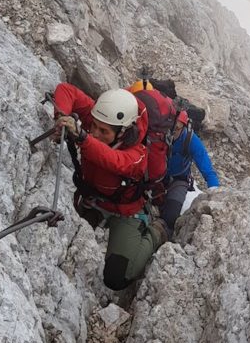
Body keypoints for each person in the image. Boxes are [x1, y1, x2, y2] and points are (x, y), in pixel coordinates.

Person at [52, 83, 168, 291]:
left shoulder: (138, 154)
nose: (95, 132)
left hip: (125, 213)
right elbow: (67, 90)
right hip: (93, 200)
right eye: (93, 126)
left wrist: (83, 138)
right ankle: (97, 217)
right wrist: (61, 116)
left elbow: (115, 160)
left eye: (103, 131)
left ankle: (156, 232)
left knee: (117, 277)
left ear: (123, 131)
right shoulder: (102, 119)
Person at [159, 111, 220, 235]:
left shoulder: (190, 140)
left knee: (170, 217)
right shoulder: (160, 133)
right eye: (170, 128)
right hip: (157, 177)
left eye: (176, 129)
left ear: (185, 127)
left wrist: (215, 194)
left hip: (178, 180)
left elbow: (207, 169)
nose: (172, 132)